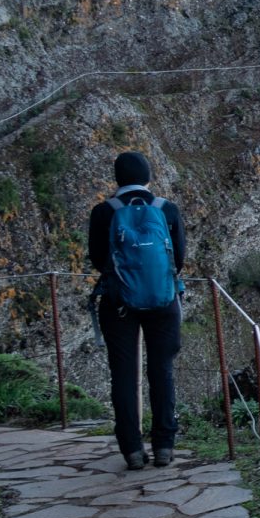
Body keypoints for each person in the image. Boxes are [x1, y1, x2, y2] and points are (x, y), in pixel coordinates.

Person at [87, 151, 187, 470]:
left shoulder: (104, 212)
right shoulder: (165, 209)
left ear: (116, 179)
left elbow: (97, 259)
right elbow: (179, 259)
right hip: (163, 299)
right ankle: (164, 446)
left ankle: (131, 449)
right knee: (162, 370)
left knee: (124, 375)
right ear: (149, 177)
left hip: (118, 302)